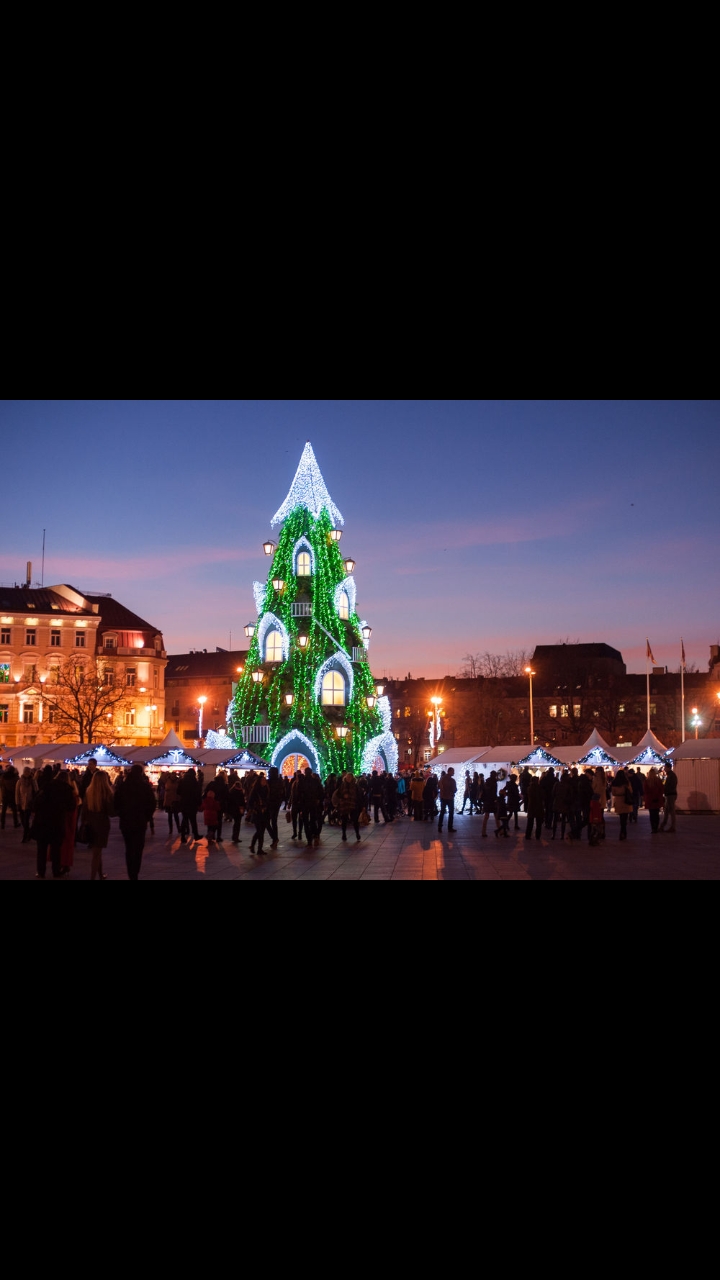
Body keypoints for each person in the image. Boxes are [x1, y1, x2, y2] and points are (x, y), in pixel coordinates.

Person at [115, 764, 156, 879]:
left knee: (129, 848)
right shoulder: (145, 787)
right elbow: (152, 803)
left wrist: (121, 814)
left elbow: (116, 803)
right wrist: (147, 817)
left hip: (126, 822)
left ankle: (130, 873)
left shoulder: (123, 786)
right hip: (140, 821)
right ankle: (135, 872)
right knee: (138, 848)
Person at [34, 766, 74, 879]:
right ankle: (56, 871)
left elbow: (36, 803)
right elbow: (71, 807)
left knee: (41, 849)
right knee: (56, 850)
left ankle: (40, 872)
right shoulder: (67, 789)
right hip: (57, 822)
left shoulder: (46, 786)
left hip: (43, 822)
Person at [83, 768, 115, 880]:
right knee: (97, 853)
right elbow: (111, 812)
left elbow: (84, 810)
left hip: (91, 824)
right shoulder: (106, 793)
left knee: (97, 851)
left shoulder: (89, 792)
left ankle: (101, 874)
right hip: (102, 824)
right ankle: (93, 877)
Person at [58, 770, 80, 876]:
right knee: (66, 844)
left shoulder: (59, 791)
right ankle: (65, 864)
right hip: (68, 822)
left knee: (60, 844)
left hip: (60, 821)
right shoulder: (72, 793)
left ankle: (61, 864)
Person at [248, 773, 270, 854]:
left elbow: (268, 801)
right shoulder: (255, 790)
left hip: (264, 813)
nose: (265, 781)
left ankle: (259, 848)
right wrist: (254, 809)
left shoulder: (267, 789)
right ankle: (253, 845)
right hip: (257, 813)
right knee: (259, 831)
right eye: (263, 780)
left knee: (262, 831)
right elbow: (250, 802)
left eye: (265, 780)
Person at [178, 769, 201, 843]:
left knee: (184, 820)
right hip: (192, 803)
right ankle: (196, 835)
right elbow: (198, 793)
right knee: (193, 820)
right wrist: (199, 803)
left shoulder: (182, 781)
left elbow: (178, 791)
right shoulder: (194, 782)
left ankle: (182, 836)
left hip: (184, 803)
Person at [338, 772, 362, 842]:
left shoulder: (355, 786)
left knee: (355, 820)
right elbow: (338, 794)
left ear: (352, 778)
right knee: (344, 820)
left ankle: (357, 833)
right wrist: (343, 796)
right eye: (347, 777)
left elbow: (359, 796)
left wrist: (361, 805)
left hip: (353, 805)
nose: (348, 778)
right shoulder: (342, 785)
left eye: (350, 777)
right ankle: (344, 834)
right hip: (344, 805)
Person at [15, 767, 37, 843]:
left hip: (29, 804)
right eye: (25, 771)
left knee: (26, 820)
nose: (27, 773)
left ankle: (25, 836)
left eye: (28, 771)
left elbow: (36, 791)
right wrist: (17, 803)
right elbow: (17, 793)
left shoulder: (33, 781)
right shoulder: (20, 781)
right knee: (23, 821)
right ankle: (28, 833)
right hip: (21, 804)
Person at [612, 769, 633, 841]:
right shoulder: (626, 782)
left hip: (618, 801)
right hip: (625, 800)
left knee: (621, 817)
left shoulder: (614, 783)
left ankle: (622, 831)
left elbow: (613, 793)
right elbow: (631, 791)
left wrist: (618, 794)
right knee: (625, 817)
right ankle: (624, 831)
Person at [267, 766, 285, 849]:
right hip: (276, 804)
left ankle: (274, 838)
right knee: (274, 822)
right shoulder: (280, 782)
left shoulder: (269, 782)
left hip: (270, 804)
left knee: (267, 822)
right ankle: (275, 839)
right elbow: (282, 793)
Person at [643, 767, 665, 834]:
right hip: (657, 799)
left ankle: (653, 828)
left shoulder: (647, 781)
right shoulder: (658, 780)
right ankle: (656, 827)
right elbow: (662, 790)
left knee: (651, 814)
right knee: (656, 814)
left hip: (650, 800)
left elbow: (645, 791)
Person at [552, 772, 572, 841]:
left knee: (555, 820)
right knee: (563, 820)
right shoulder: (568, 785)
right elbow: (570, 795)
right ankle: (562, 835)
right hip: (564, 804)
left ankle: (553, 835)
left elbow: (553, 793)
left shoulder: (557, 784)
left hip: (557, 802)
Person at [1, 763, 20, 830]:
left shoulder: (3, 776)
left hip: (5, 795)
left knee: (3, 810)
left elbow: (1, 784)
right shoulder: (15, 777)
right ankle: (15, 823)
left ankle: (2, 824)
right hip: (12, 795)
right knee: (14, 810)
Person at [228, 773, 246, 843]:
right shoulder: (240, 792)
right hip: (239, 810)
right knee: (237, 824)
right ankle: (236, 837)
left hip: (233, 809)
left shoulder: (232, 791)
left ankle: (234, 836)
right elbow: (242, 802)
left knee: (236, 823)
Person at [660, 764, 678, 833]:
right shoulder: (669, 775)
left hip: (671, 794)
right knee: (667, 810)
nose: (664, 769)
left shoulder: (671, 775)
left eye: (665, 767)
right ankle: (663, 825)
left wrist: (665, 788)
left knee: (671, 811)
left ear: (668, 768)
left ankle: (672, 827)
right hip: (669, 794)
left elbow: (671, 785)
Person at [163, 771, 182, 838]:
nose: (173, 776)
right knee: (170, 816)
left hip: (175, 800)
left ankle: (178, 828)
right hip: (168, 800)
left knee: (176, 815)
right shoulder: (167, 780)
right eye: (172, 775)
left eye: (174, 775)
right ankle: (170, 829)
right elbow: (162, 779)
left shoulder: (178, 781)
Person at [438, 768, 457, 834]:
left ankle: (439, 826)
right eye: (453, 772)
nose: (453, 773)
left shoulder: (442, 779)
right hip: (449, 798)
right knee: (451, 812)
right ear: (449, 771)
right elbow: (454, 789)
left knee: (442, 812)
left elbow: (439, 786)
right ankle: (450, 827)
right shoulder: (452, 780)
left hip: (443, 797)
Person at [481, 772, 498, 838]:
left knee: (486, 816)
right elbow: (494, 793)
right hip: (492, 801)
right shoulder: (494, 783)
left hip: (487, 801)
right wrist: (495, 799)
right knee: (496, 816)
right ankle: (500, 830)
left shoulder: (487, 782)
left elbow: (484, 791)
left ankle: (483, 831)